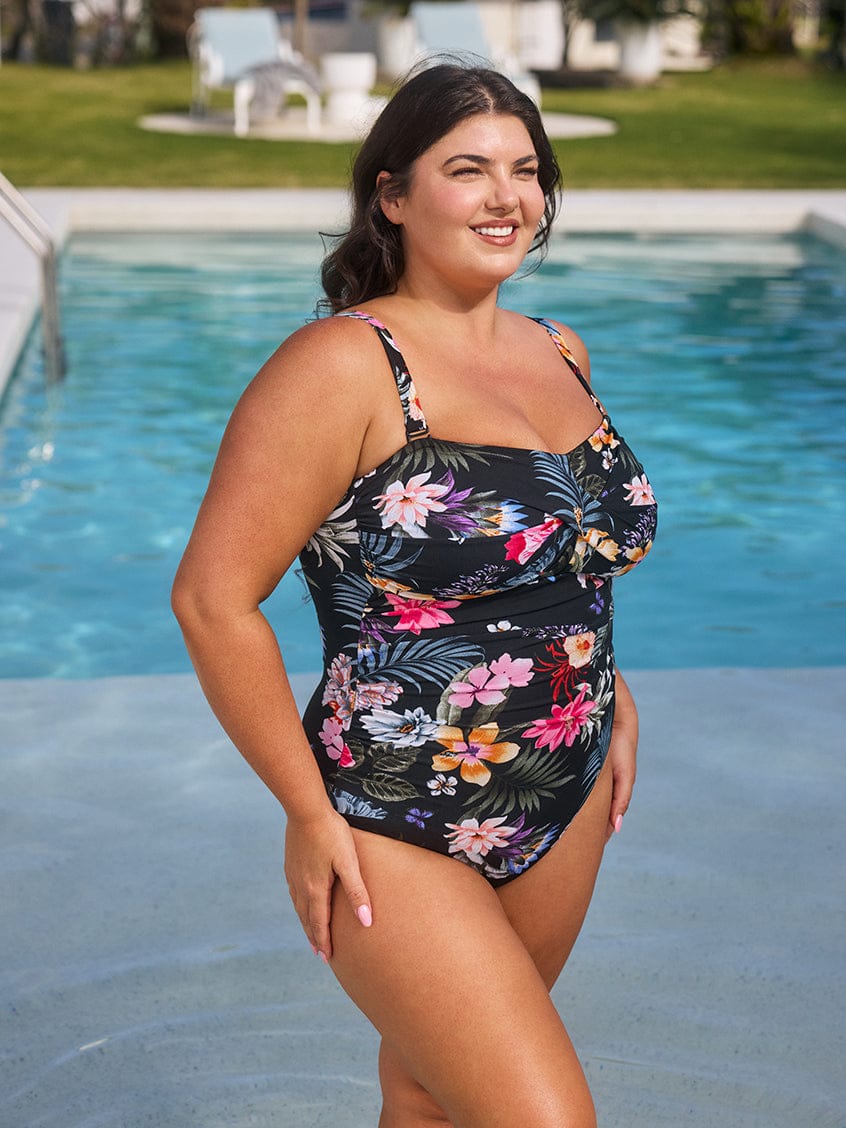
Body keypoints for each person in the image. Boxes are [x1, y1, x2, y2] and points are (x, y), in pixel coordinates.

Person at [172, 61, 657, 1128]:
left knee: (432, 1095)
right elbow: (212, 599)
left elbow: (568, 553)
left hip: (563, 789)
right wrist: (305, 811)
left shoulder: (557, 350)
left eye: (526, 170)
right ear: (391, 194)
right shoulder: (343, 367)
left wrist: (610, 690)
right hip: (393, 809)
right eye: (468, 169)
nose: (507, 198)